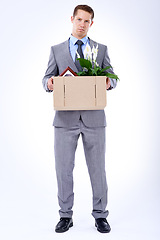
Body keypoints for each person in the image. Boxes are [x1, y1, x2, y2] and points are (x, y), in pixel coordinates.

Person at [42, 5, 117, 233]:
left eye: (87, 21)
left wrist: (108, 82)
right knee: (63, 169)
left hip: (94, 118)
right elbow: (46, 78)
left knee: (98, 169)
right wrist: (50, 83)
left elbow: (113, 76)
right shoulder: (56, 50)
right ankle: (66, 215)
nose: (82, 24)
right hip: (64, 121)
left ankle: (100, 215)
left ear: (91, 23)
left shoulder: (100, 49)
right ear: (72, 19)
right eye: (79, 19)